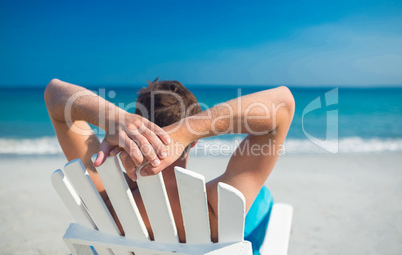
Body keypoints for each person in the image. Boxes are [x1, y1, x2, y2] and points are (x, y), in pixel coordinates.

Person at [44, 78, 294, 254]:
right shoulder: (215, 208)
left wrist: (114, 118)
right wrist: (188, 130)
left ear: (131, 129)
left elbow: (54, 93)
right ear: (193, 144)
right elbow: (284, 104)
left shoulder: (105, 199)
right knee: (263, 199)